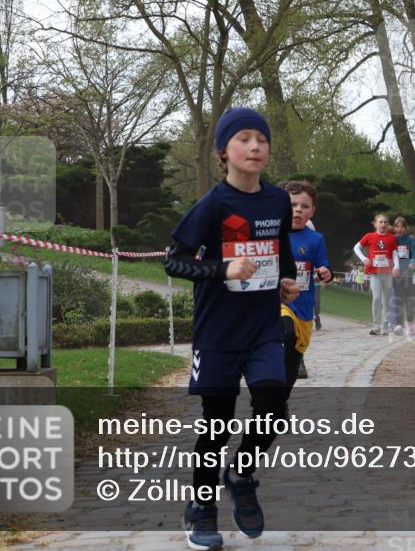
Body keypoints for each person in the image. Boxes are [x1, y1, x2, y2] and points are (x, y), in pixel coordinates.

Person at [164, 107, 299, 551]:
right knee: (216, 425)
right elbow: (175, 260)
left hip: (263, 326)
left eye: (262, 139)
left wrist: (285, 280)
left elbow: (279, 249)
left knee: (273, 407)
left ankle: (241, 474)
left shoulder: (278, 200)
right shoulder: (213, 204)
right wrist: (223, 270)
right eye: (244, 138)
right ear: (225, 151)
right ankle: (201, 508)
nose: (256, 147)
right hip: (218, 332)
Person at [280, 180, 331, 396]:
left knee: (293, 362)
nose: (298, 210)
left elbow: (324, 266)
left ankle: (280, 400)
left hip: (304, 308)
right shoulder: (273, 235)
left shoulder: (316, 239)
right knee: (286, 332)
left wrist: (325, 272)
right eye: (292, 205)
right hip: (280, 303)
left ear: (312, 212)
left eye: (304, 206)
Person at [354, 214, 400, 335]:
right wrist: (364, 259)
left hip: (388, 273)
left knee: (386, 300)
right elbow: (356, 248)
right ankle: (376, 325)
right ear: (375, 224)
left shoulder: (391, 238)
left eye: (385, 222)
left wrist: (396, 266)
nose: (383, 224)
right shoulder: (369, 236)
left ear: (388, 225)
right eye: (380, 222)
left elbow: (395, 254)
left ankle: (385, 325)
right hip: (374, 272)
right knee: (377, 297)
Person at [390, 216, 415, 335]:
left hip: (408, 275)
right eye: (397, 227)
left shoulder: (410, 239)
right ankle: (398, 324)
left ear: (406, 228)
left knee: (409, 300)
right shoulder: (392, 239)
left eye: (402, 227)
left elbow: (414, 254)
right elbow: (390, 255)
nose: (400, 229)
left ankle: (410, 324)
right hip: (396, 275)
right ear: (394, 228)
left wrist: (413, 263)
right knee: (398, 300)